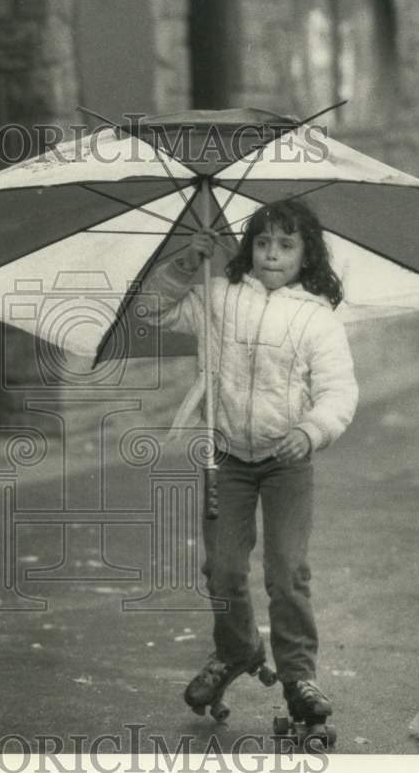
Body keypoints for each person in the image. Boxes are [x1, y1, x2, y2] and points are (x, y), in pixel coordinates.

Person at [143, 199, 358, 730]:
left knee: (287, 574)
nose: (271, 254)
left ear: (307, 254)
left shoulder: (317, 318)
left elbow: (338, 390)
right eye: (262, 242)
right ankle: (237, 650)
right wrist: (187, 263)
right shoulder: (218, 297)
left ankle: (299, 677)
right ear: (247, 248)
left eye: (286, 244)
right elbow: (153, 307)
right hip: (227, 459)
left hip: (288, 461)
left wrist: (310, 432)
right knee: (223, 571)